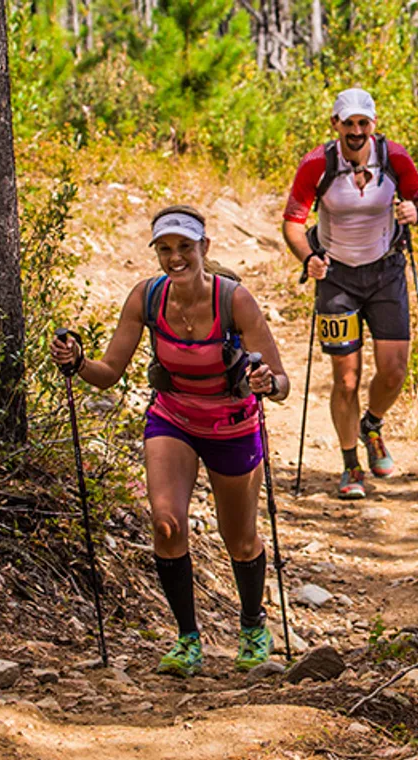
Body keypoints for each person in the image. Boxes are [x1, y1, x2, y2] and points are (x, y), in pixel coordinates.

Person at [49, 205, 292, 676]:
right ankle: (187, 639)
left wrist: (266, 383)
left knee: (239, 540)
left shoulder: (234, 301)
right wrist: (76, 361)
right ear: (156, 253)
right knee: (165, 524)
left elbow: (281, 383)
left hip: (232, 423)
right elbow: (107, 374)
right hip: (173, 418)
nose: (175, 257)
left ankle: (252, 624)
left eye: (184, 247)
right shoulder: (146, 297)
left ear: (204, 247)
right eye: (165, 249)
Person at [281, 87, 418, 500]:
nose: (355, 131)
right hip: (337, 278)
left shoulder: (394, 157)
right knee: (345, 379)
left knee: (394, 371)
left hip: (386, 273)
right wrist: (308, 256)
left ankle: (372, 425)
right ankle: (351, 465)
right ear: (335, 124)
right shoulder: (317, 164)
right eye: (347, 123)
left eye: (362, 123)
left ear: (373, 125)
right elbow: (293, 222)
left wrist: (415, 213)